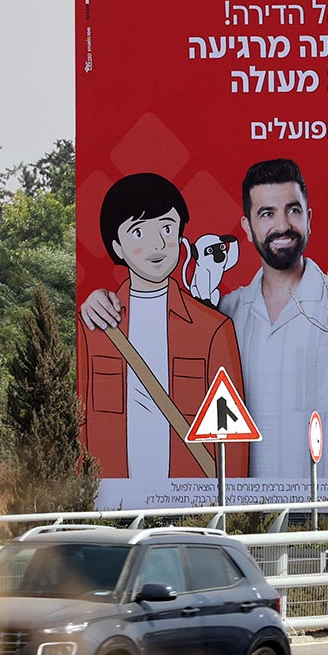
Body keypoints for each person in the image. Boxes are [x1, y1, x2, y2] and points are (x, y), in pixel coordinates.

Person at [83, 158, 328, 479]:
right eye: (267, 213)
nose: (282, 225)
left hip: (324, 514)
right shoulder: (227, 313)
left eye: (293, 210)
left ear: (309, 218)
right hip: (245, 512)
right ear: (248, 227)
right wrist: (100, 300)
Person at [76, 173, 249, 480]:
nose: (157, 244)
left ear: (181, 238)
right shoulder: (95, 325)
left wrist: (232, 507)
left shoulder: (213, 328)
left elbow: (232, 441)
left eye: (167, 228)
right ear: (117, 246)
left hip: (191, 500)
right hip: (112, 500)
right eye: (138, 232)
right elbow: (80, 421)